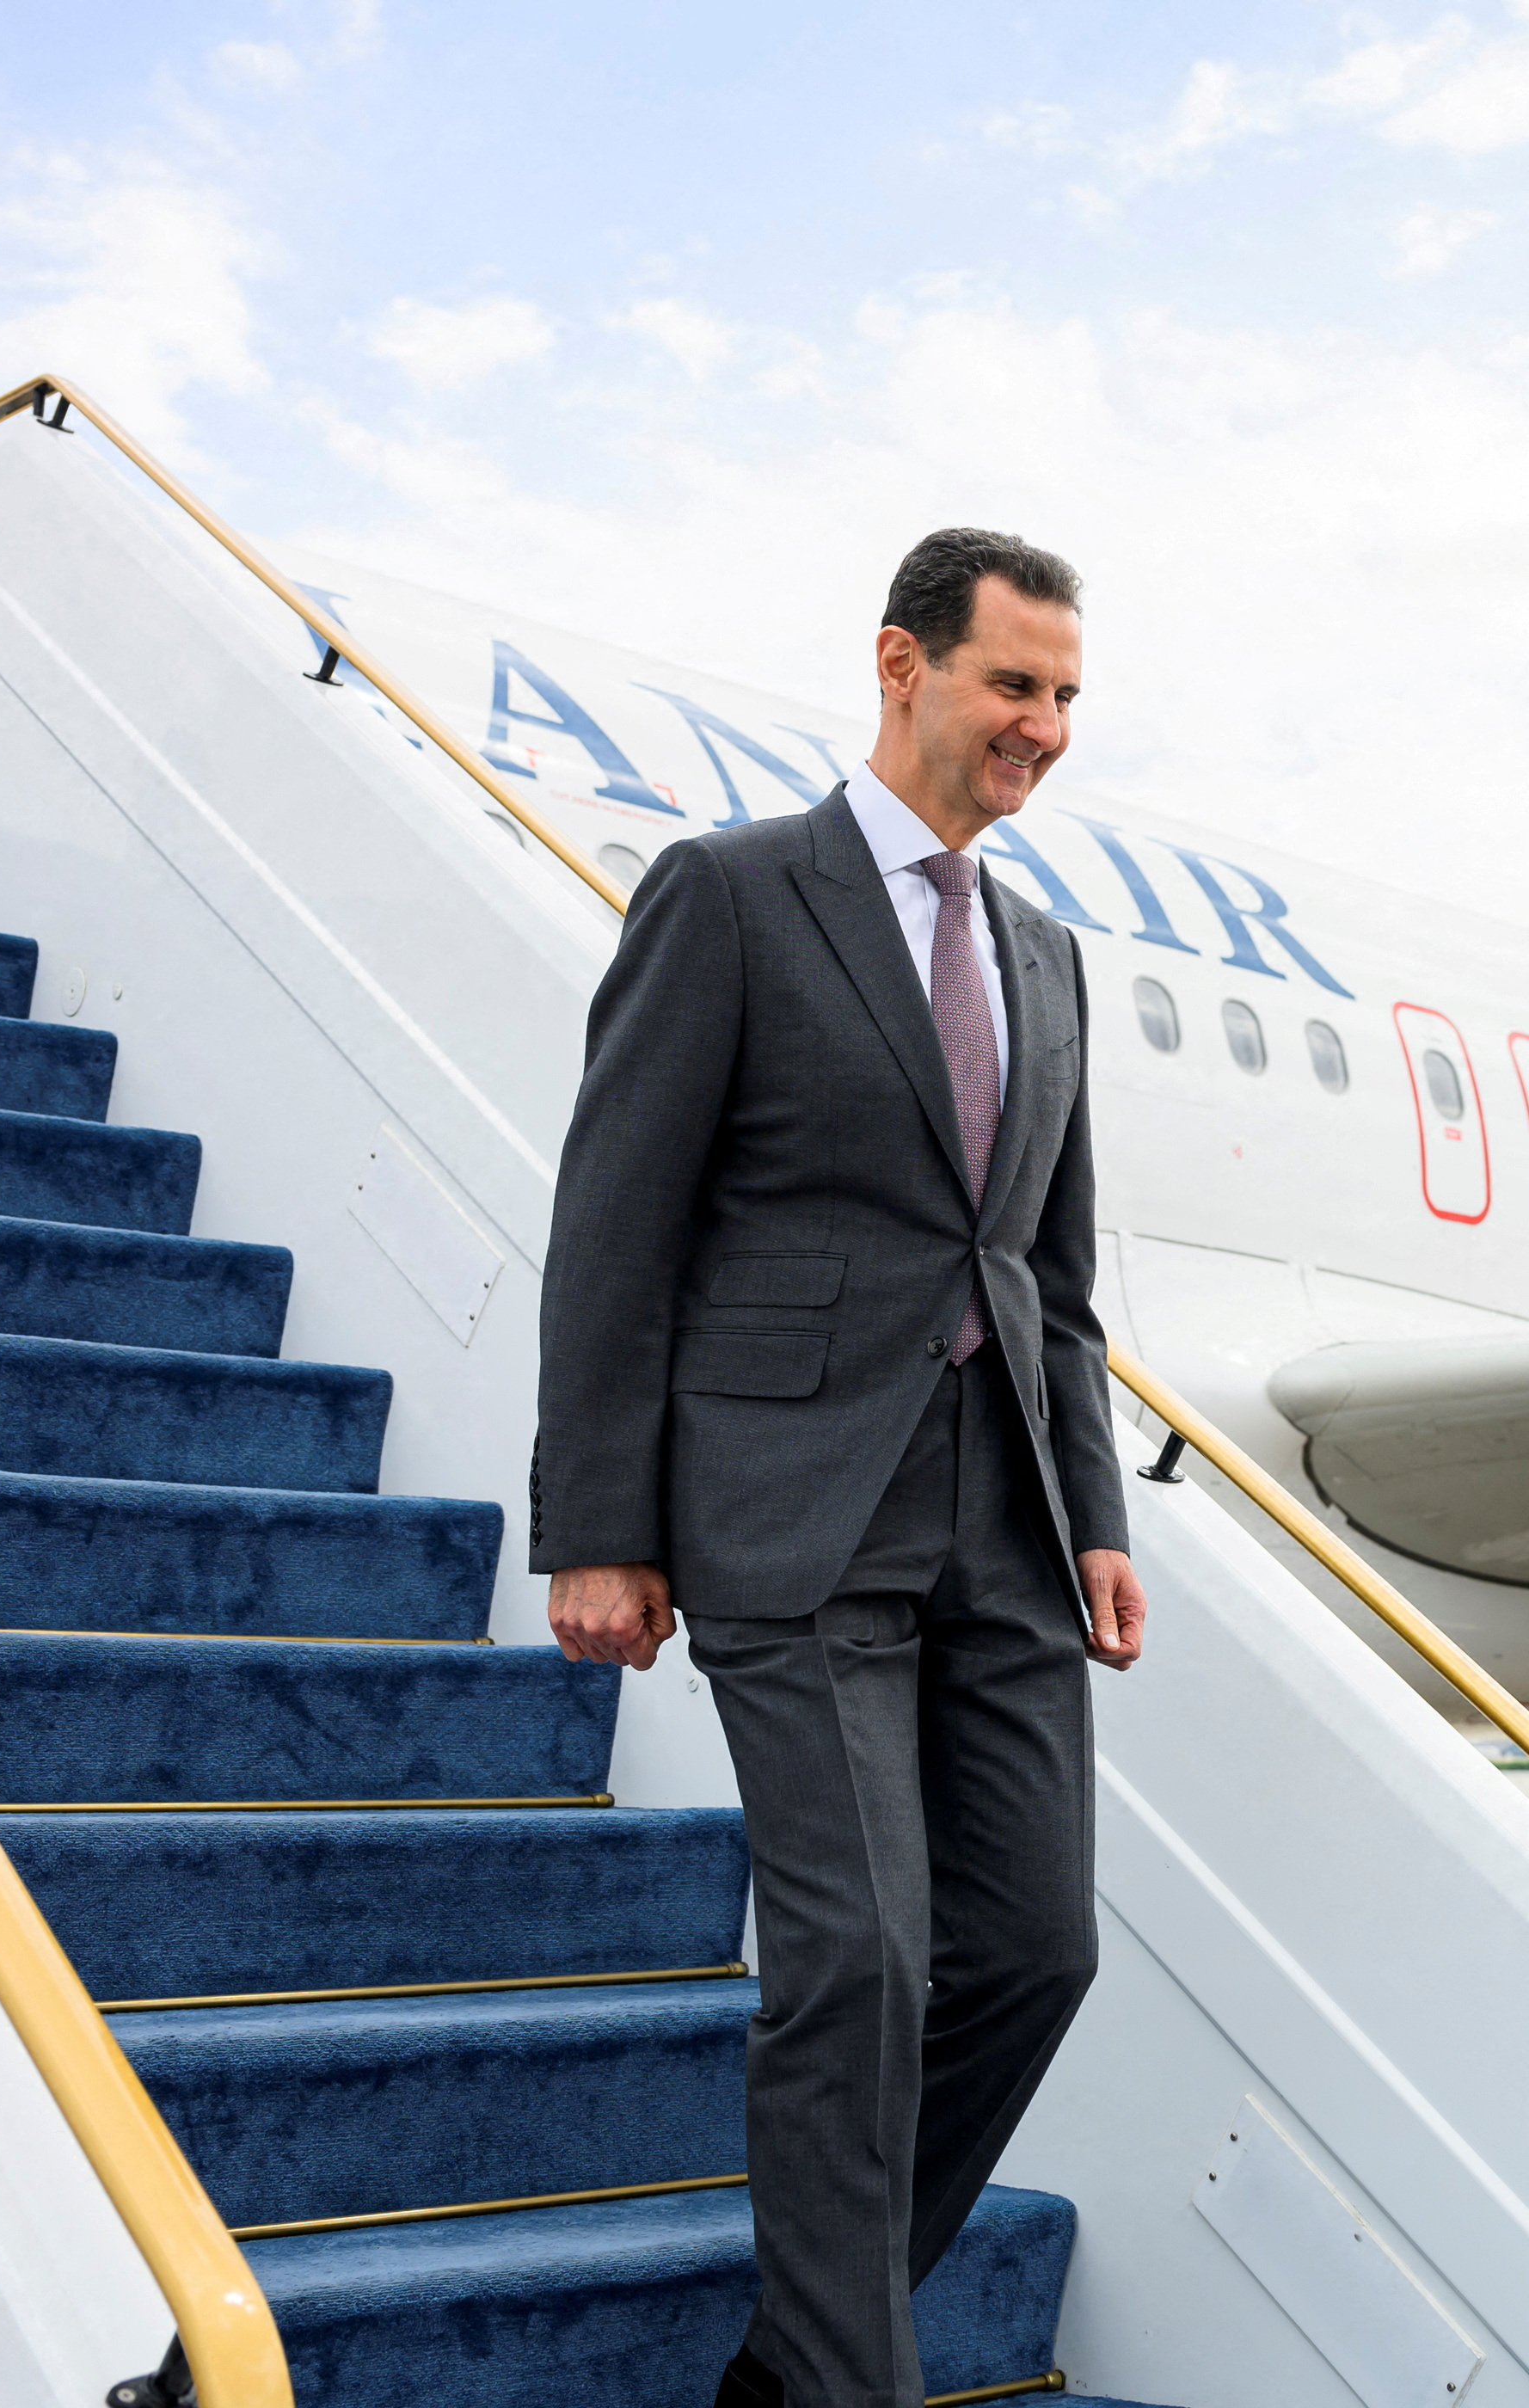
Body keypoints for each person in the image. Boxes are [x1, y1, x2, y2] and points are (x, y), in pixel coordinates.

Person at [531, 526, 1145, 2408]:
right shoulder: (730, 896)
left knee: (1034, 1952)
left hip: (1010, 1518)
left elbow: (1051, 1270)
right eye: (1009, 683)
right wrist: (603, 1527)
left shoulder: (1044, 957)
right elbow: (616, 1224)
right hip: (796, 1513)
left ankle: (809, 2346)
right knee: (861, 1963)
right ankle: (840, 2381)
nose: (1040, 725)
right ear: (901, 663)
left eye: (1062, 695)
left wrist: (1100, 1514)